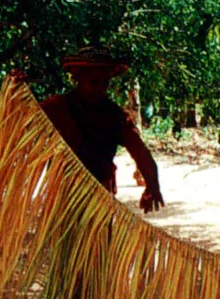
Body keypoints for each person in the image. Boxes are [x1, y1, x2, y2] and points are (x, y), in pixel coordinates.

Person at [40, 46, 164, 213]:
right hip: (62, 197)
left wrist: (152, 186)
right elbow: (24, 115)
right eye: (93, 82)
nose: (99, 89)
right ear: (78, 78)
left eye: (104, 83)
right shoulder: (57, 107)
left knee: (97, 238)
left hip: (99, 200)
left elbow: (140, 152)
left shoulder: (114, 115)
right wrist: (16, 85)